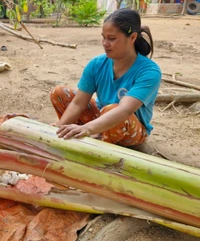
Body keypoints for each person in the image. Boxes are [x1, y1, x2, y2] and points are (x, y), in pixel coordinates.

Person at [50, 8, 161, 147]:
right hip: (100, 119)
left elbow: (124, 110)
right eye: (103, 37)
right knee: (59, 93)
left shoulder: (149, 72)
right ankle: (87, 135)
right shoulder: (97, 64)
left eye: (112, 39)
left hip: (130, 129)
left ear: (132, 37)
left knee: (113, 110)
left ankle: (95, 143)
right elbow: (78, 103)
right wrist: (58, 129)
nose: (105, 43)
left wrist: (87, 128)